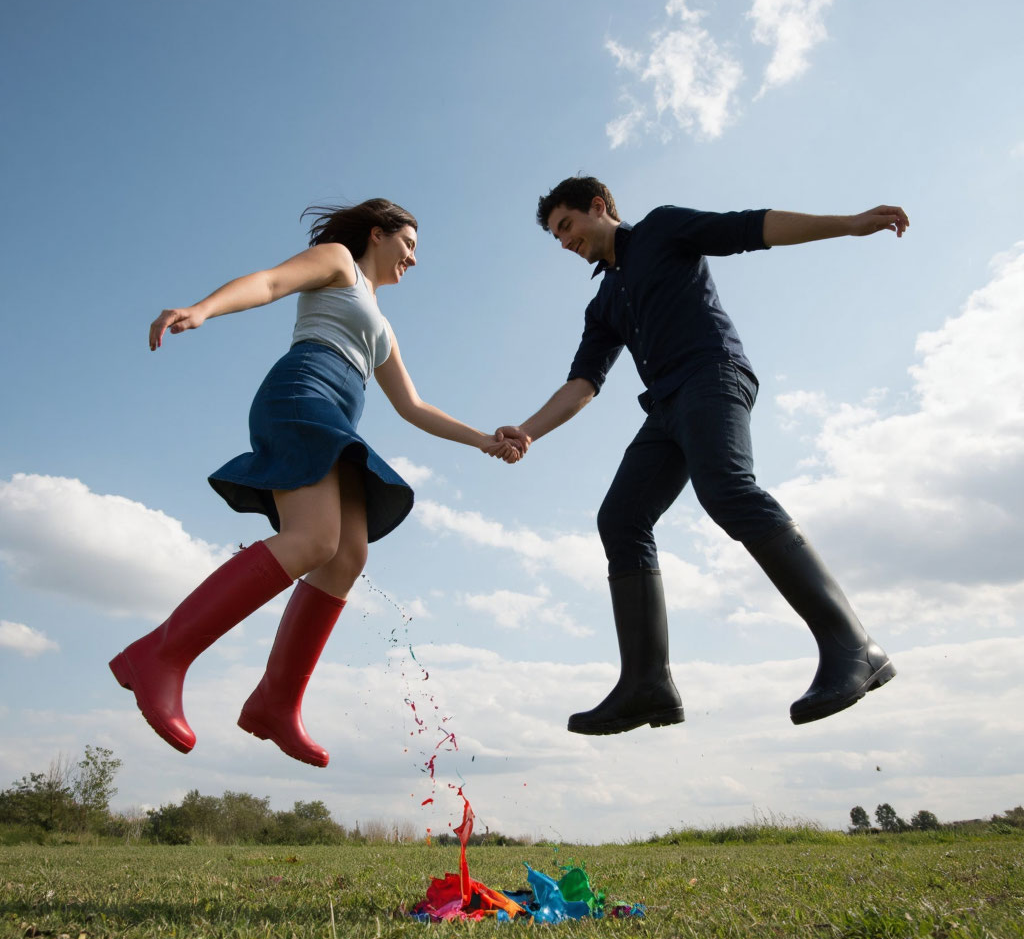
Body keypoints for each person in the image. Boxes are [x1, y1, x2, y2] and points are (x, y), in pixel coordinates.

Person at [110, 198, 523, 767]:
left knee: (347, 554)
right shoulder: (338, 262)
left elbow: (413, 406)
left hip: (336, 418)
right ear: (376, 234)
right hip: (300, 395)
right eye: (408, 244)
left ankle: (276, 702)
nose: (413, 258)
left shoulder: (382, 326)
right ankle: (160, 655)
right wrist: (204, 309)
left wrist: (483, 439)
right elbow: (272, 282)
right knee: (312, 539)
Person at [496, 176, 907, 735]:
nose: (564, 242)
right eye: (556, 237)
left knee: (727, 489)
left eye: (566, 226)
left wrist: (848, 224)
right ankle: (647, 685)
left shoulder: (663, 229)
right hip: (665, 406)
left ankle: (854, 648)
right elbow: (583, 383)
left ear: (598, 207)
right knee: (621, 518)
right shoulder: (604, 301)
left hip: (712, 375)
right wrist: (526, 432)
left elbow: (752, 228)